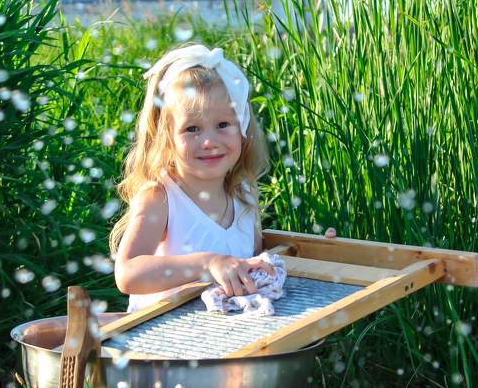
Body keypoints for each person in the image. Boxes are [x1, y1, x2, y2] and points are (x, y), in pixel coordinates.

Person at [109, 44, 335, 313]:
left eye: (223, 125)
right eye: (192, 128)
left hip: (227, 333)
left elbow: (250, 264)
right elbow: (128, 274)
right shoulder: (161, 198)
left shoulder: (244, 193)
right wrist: (207, 263)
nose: (209, 141)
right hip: (162, 335)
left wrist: (316, 251)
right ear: (166, 137)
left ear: (243, 128)